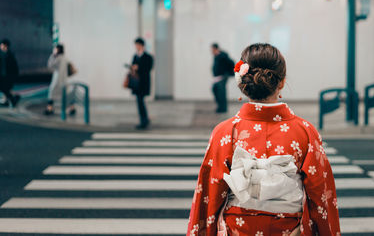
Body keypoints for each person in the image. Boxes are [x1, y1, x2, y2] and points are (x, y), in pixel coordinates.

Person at [188, 43, 340, 235]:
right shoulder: (305, 132)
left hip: (238, 229)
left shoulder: (225, 132)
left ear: (242, 83)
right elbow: (321, 197)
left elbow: (208, 197)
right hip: (290, 230)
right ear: (282, 82)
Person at [44, 44, 75, 115]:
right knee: (66, 94)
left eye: (55, 49)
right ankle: (72, 108)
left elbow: (50, 65)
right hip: (64, 79)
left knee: (51, 93)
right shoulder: (65, 58)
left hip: (57, 79)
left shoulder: (58, 58)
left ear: (58, 50)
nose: (54, 50)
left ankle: (49, 109)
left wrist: (52, 56)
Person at [131, 37, 153, 129]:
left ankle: (144, 120)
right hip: (136, 83)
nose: (136, 46)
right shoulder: (135, 56)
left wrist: (138, 67)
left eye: (137, 45)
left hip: (143, 83)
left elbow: (148, 68)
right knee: (140, 102)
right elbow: (132, 66)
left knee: (140, 101)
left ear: (141, 45)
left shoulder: (148, 57)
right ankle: (144, 119)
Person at [211, 43, 234, 113]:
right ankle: (220, 106)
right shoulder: (216, 56)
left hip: (222, 77)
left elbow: (231, 63)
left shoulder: (223, 56)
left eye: (212, 50)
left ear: (216, 49)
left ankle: (223, 108)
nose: (211, 51)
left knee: (221, 93)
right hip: (217, 78)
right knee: (215, 89)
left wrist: (228, 73)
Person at [0, 39, 20, 107]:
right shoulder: (1, 54)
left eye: (2, 45)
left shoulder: (10, 55)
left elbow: (14, 67)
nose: (1, 46)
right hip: (2, 75)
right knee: (5, 89)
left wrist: (14, 77)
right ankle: (11, 99)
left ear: (5, 46)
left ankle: (12, 99)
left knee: (5, 89)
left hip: (8, 76)